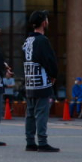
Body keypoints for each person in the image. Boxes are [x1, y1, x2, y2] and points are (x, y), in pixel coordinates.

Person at [23, 10, 60, 152]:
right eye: (47, 20)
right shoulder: (42, 40)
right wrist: (53, 74)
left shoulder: (28, 40)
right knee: (41, 114)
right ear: (44, 23)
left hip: (30, 82)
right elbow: (49, 60)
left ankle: (30, 142)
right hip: (41, 82)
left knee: (30, 114)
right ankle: (42, 142)